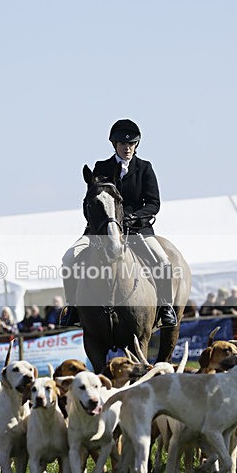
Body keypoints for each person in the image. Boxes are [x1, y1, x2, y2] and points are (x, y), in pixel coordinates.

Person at [61, 119, 178, 328]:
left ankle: (166, 306)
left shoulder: (144, 168)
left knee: (163, 261)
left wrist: (134, 217)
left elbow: (153, 203)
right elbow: (90, 201)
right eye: (123, 144)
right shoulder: (101, 167)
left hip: (136, 228)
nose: (128, 148)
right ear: (115, 145)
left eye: (132, 144)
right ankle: (73, 308)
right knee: (69, 258)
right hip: (101, 230)